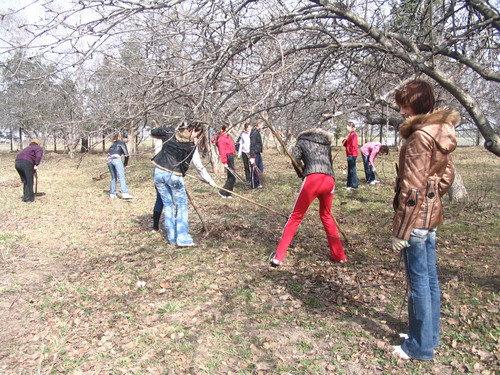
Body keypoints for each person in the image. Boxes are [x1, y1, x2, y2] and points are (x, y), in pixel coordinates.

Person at [391, 80, 459, 361]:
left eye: (404, 105)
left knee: (419, 282)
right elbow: (446, 177)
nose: (402, 111)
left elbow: (412, 187)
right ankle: (427, 336)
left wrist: (401, 230)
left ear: (415, 104)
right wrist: (432, 196)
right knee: (429, 280)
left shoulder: (420, 136)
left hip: (416, 219)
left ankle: (419, 347)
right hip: (428, 216)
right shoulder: (441, 131)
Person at [269, 129, 346, 267]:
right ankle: (339, 255)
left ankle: (279, 256)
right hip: (330, 180)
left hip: (313, 179)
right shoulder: (326, 143)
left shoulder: (302, 141)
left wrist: (302, 172)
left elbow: (294, 158)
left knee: (295, 217)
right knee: (326, 216)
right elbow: (329, 163)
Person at [151, 121, 217, 247]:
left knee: (168, 205)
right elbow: (189, 165)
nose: (197, 137)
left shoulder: (170, 132)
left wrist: (165, 133)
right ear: (193, 130)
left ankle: (172, 238)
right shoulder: (190, 145)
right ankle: (182, 239)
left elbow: (153, 132)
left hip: (159, 171)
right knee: (181, 205)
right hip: (174, 175)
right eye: (197, 134)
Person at [107, 134, 134, 199]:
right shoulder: (122, 143)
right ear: (121, 138)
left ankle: (112, 194)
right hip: (116, 159)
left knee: (113, 177)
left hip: (109, 160)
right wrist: (125, 164)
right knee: (121, 177)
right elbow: (126, 155)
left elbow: (109, 153)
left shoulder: (112, 145)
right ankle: (124, 193)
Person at [216, 125, 236, 198]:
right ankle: (222, 191)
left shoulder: (228, 137)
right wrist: (224, 162)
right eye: (228, 129)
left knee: (230, 176)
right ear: (224, 130)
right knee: (233, 177)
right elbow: (222, 151)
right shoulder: (221, 139)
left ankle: (228, 193)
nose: (230, 131)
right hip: (227, 158)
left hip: (231, 156)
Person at [342, 122, 359, 190]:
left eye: (348, 127)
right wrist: (345, 139)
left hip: (352, 154)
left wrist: (350, 153)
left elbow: (354, 145)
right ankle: (349, 185)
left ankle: (354, 186)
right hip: (349, 154)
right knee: (349, 170)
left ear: (351, 127)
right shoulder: (349, 135)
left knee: (352, 170)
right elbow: (345, 144)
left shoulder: (354, 134)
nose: (347, 128)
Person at [249, 120, 264, 189]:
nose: (262, 126)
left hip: (258, 152)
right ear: (258, 124)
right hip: (254, 153)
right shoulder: (254, 132)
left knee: (260, 168)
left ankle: (257, 183)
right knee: (254, 169)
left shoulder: (257, 131)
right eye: (262, 125)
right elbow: (252, 144)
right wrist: (252, 156)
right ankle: (253, 185)